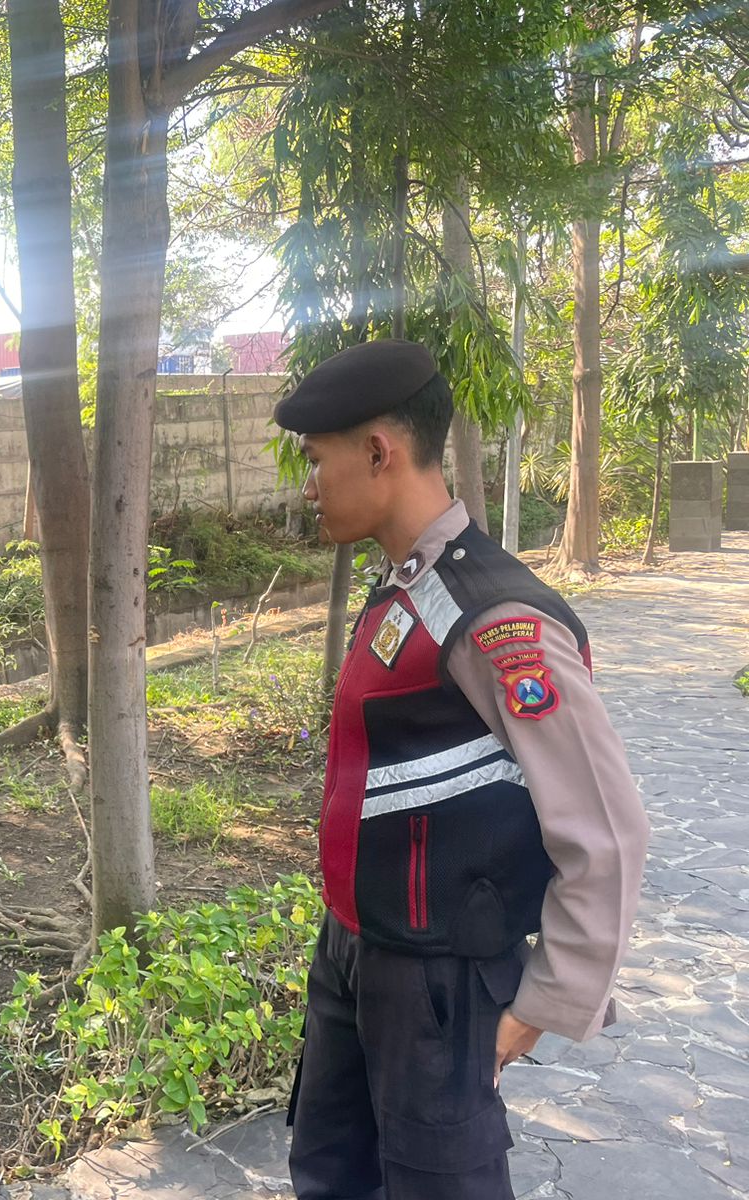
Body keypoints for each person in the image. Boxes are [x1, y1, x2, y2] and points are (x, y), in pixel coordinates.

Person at [273, 340, 649, 1200]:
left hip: (437, 984)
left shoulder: (495, 618)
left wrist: (544, 1002)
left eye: (317, 460)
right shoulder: (406, 588)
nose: (309, 486)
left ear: (379, 452)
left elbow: (607, 828)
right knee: (330, 1173)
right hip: (355, 951)